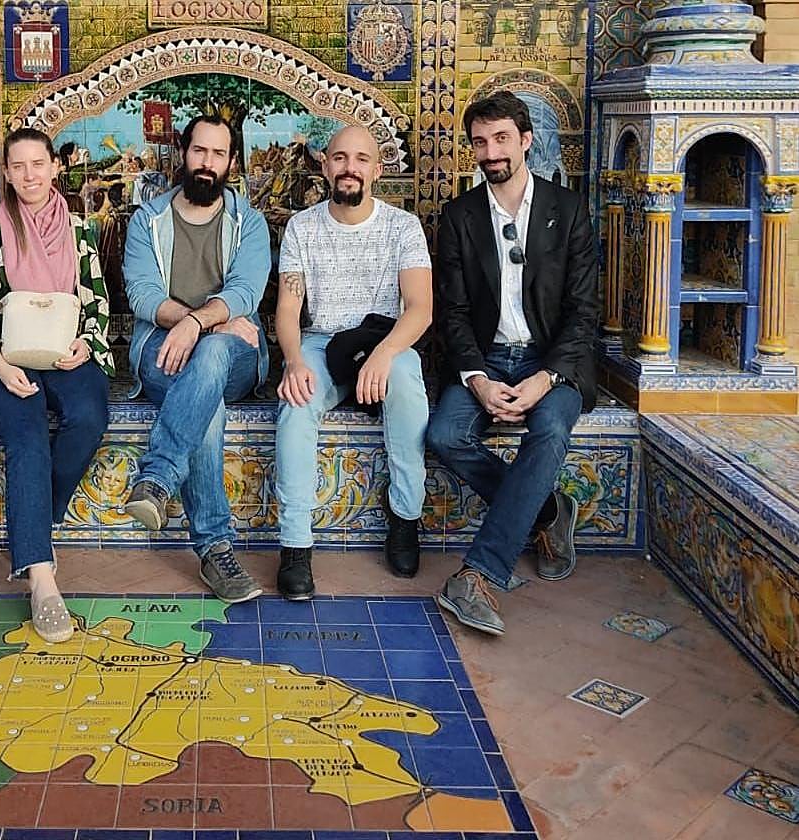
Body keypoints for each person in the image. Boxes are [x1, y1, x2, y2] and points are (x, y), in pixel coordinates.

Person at [428, 91, 599, 636]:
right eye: (479, 141)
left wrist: (545, 378)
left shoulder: (567, 211)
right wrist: (477, 378)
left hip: (554, 362)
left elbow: (584, 311)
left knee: (548, 430)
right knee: (445, 434)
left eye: (501, 138)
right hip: (487, 358)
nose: (490, 151)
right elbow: (452, 312)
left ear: (526, 141)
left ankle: (479, 575)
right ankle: (549, 513)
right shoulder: (458, 217)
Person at [0, 128, 113, 644]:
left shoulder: (79, 231)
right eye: (18, 166)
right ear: (6, 172)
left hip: (65, 352)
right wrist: (0, 364)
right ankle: (42, 580)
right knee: (25, 434)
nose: (29, 175)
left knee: (89, 416)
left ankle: (34, 528)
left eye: (38, 164)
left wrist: (86, 345)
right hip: (2, 358)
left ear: (54, 168)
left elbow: (96, 302)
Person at [273, 126, 433, 600]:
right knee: (295, 404)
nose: (349, 167)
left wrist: (384, 356)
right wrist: (295, 360)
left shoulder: (402, 227)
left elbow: (420, 308)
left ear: (377, 170)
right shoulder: (303, 227)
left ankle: (405, 517)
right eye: (340, 158)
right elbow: (287, 309)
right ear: (325, 166)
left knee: (406, 387)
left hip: (386, 340)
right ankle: (295, 546)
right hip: (321, 344)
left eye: (361, 159)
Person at [121, 114, 271, 604]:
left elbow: (246, 289)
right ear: (183, 153)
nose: (208, 163)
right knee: (206, 403)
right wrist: (201, 321)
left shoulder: (249, 222)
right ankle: (215, 550)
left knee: (210, 355)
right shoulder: (148, 220)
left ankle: (158, 477)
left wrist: (196, 325)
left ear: (232, 162)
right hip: (161, 353)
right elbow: (142, 294)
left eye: (219, 154)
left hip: (236, 354)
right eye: (199, 151)